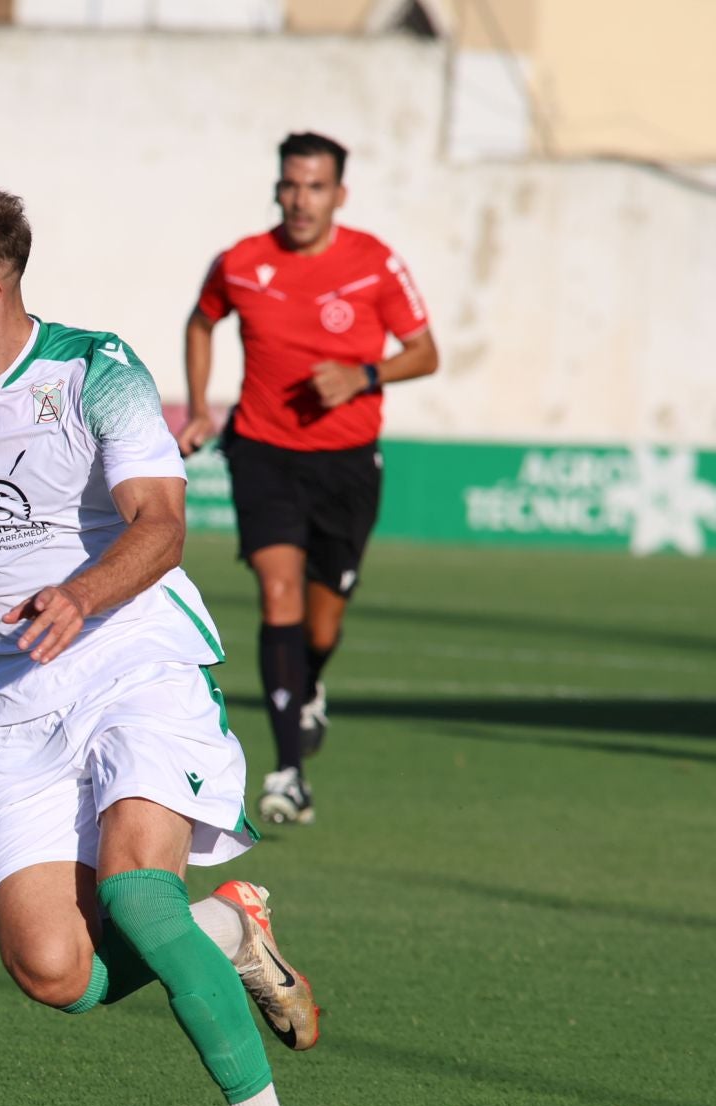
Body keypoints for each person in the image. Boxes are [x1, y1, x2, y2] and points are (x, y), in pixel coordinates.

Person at [0, 181, 321, 1106]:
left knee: (134, 885)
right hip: (19, 699)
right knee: (54, 971)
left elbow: (161, 524)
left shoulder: (94, 368)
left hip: (136, 661)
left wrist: (80, 595)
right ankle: (227, 928)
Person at [179, 131, 438, 824]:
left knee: (322, 625)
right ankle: (288, 769)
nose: (300, 199)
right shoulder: (242, 262)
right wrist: (202, 406)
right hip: (262, 453)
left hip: (348, 465)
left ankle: (310, 685)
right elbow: (202, 323)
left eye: (315, 186)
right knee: (278, 592)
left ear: (338, 194)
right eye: (291, 184)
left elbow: (425, 351)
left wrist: (365, 374)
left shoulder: (375, 263)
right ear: (278, 187)